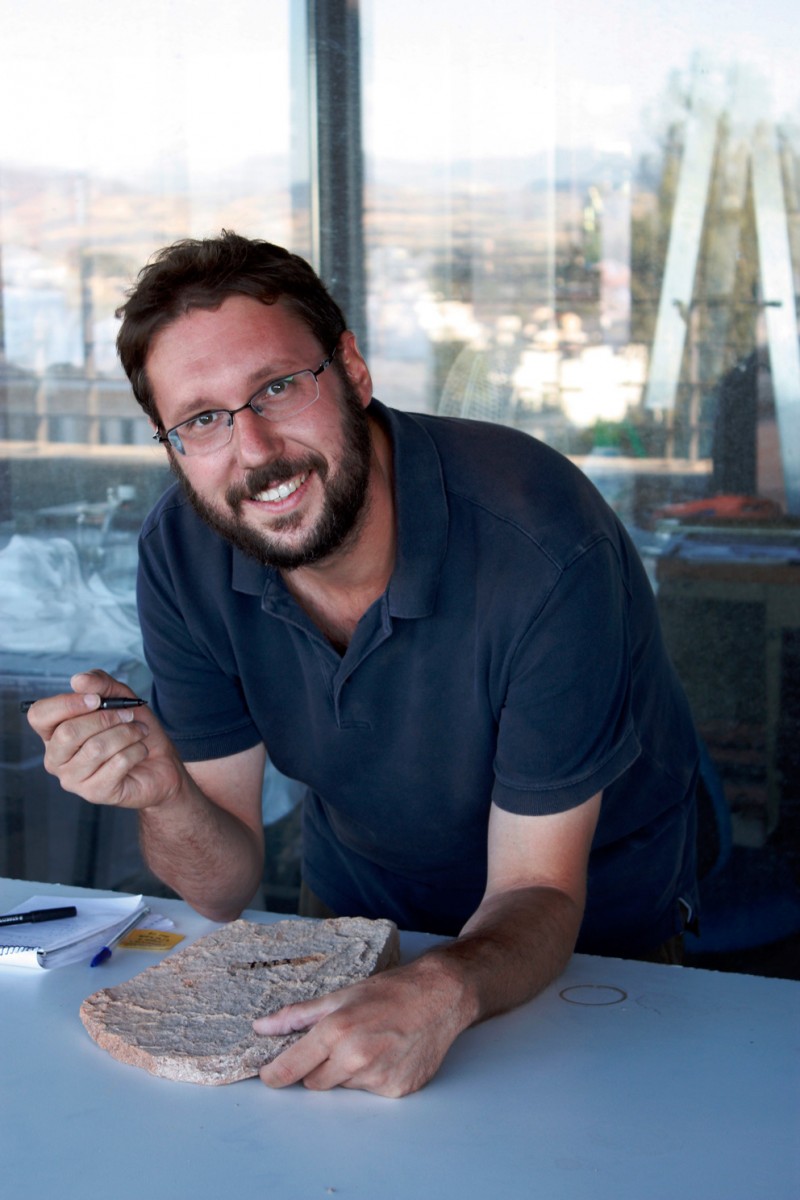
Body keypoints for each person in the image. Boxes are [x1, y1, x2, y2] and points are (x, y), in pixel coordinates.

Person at [28, 231, 699, 1098]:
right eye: (202, 420)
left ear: (351, 370)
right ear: (171, 444)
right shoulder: (185, 550)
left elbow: (539, 887)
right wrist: (165, 793)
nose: (256, 448)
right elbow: (223, 887)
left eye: (277, 387)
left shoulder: (540, 543)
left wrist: (444, 987)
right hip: (358, 922)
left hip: (587, 949)